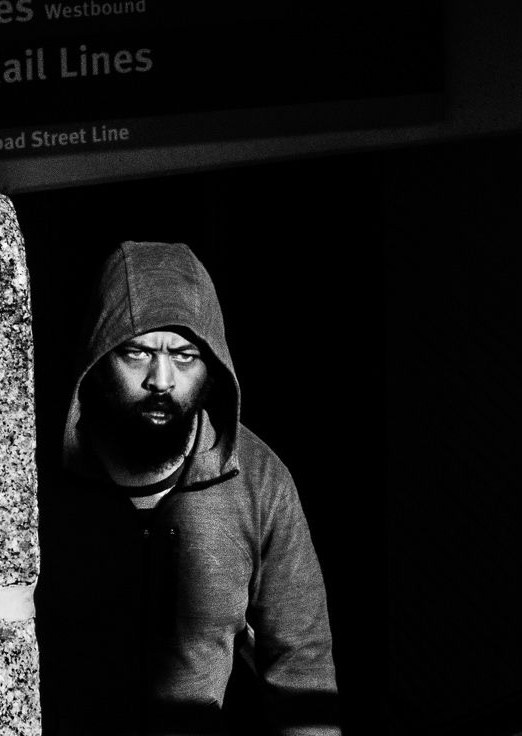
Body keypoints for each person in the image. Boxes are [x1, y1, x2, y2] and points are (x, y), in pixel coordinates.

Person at [44, 240, 340, 735]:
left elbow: (301, 664)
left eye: (184, 356)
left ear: (213, 366)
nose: (161, 379)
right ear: (98, 359)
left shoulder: (259, 481)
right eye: (137, 353)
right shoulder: (38, 479)